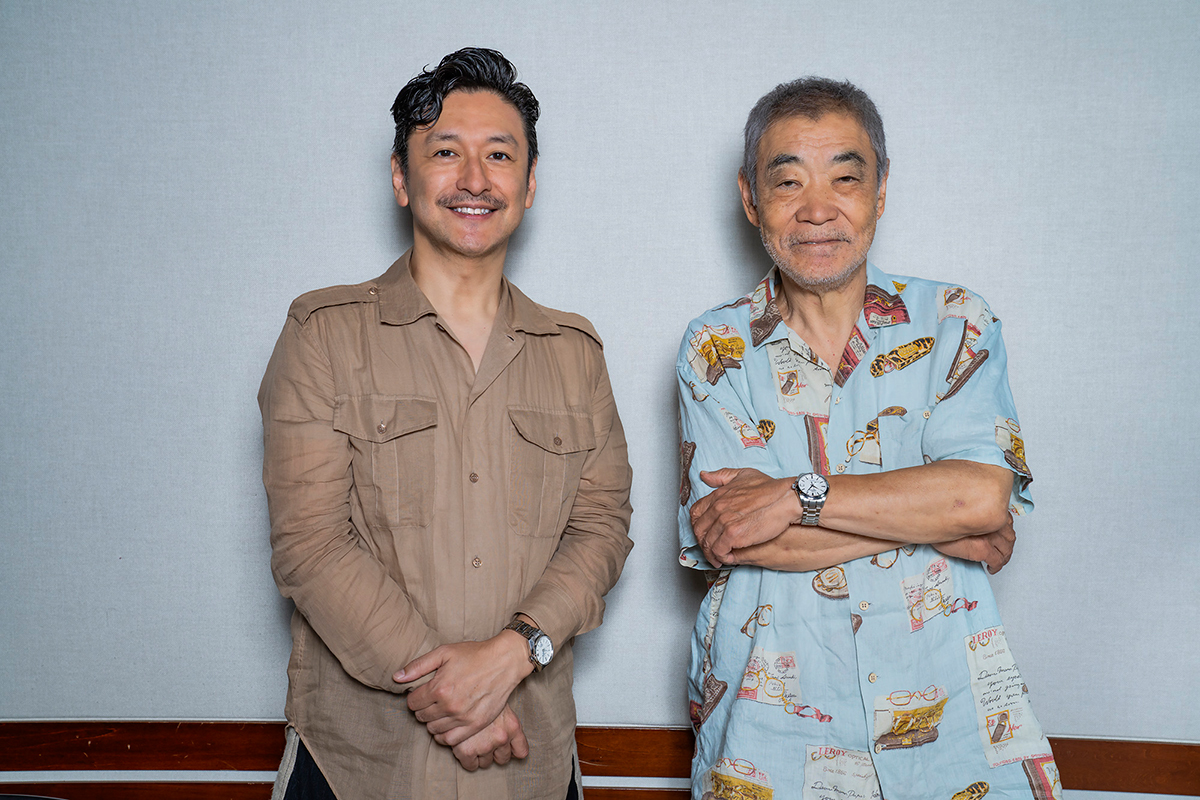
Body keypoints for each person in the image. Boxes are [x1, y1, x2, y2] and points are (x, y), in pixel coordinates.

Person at [259, 47, 634, 800]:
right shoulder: (322, 332)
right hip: (360, 765)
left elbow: (601, 528)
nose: (474, 179)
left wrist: (514, 652)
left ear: (529, 184)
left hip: (530, 760)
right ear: (402, 178)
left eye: (499, 155)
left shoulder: (575, 351)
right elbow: (311, 543)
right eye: (445, 152)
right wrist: (453, 692)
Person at [677, 77, 1060, 799]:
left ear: (881, 191)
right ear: (750, 198)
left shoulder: (957, 323)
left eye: (845, 178)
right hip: (770, 732)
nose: (818, 209)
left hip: (953, 722)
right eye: (787, 181)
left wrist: (794, 496)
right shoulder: (714, 346)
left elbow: (980, 499)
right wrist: (933, 519)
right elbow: (739, 539)